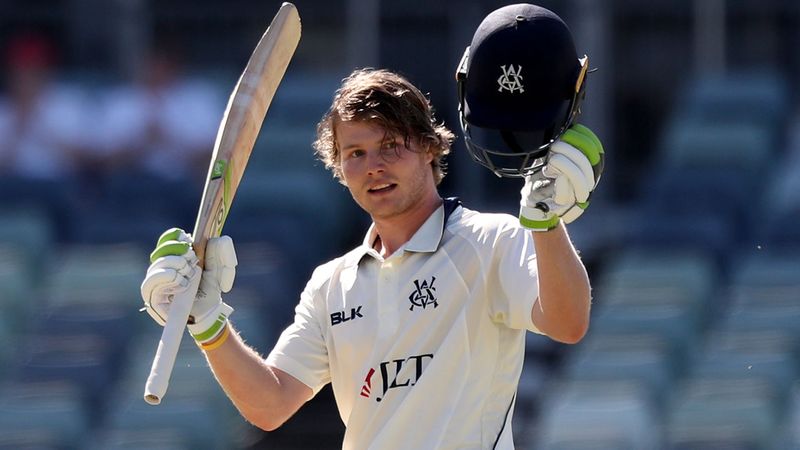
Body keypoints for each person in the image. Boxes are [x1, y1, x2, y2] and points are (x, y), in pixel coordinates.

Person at [140, 4, 603, 449]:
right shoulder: (331, 284)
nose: (373, 167)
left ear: (429, 146)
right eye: (355, 154)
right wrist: (208, 322)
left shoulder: (492, 241)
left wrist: (545, 223)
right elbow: (270, 404)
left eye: (390, 146)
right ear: (339, 169)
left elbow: (567, 322)